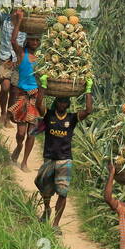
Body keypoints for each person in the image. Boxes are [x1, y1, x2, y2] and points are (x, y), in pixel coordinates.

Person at [35, 86, 94, 229]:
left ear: (68, 104)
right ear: (56, 102)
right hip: (49, 158)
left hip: (65, 159)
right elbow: (38, 104)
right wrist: (43, 86)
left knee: (63, 192)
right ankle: (47, 208)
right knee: (44, 187)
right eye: (60, 102)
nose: (62, 104)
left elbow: (88, 111)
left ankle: (56, 224)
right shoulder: (49, 115)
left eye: (65, 102)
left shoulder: (72, 118)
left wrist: (88, 90)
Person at [8, 34, 44, 169]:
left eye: (37, 39)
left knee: (32, 133)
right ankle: (19, 145)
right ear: (27, 41)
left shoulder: (43, 59)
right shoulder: (22, 54)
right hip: (22, 97)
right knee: (21, 133)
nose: (35, 42)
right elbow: (12, 41)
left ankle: (24, 161)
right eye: (32, 39)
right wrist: (18, 22)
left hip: (36, 99)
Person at [0, 0, 25, 125]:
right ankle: (2, 113)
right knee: (5, 87)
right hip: (5, 58)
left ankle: (8, 116)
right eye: (16, 8)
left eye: (21, 9)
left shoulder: (26, 26)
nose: (18, 11)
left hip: (18, 61)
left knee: (14, 90)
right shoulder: (5, 20)